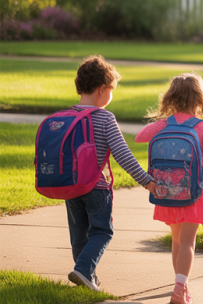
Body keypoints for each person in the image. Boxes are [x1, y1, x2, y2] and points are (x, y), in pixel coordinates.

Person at [135, 73, 203, 304]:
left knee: (176, 240)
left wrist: (164, 124)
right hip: (193, 194)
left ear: (171, 98)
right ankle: (180, 287)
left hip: (167, 191)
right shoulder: (202, 127)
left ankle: (179, 283)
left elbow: (139, 137)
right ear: (200, 99)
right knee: (188, 242)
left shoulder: (164, 124)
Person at [63, 56, 157, 291]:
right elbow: (123, 155)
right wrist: (146, 181)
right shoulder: (105, 118)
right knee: (102, 231)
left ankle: (87, 277)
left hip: (70, 186)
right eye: (112, 90)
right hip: (96, 187)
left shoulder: (67, 116)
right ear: (102, 89)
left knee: (79, 234)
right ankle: (83, 271)